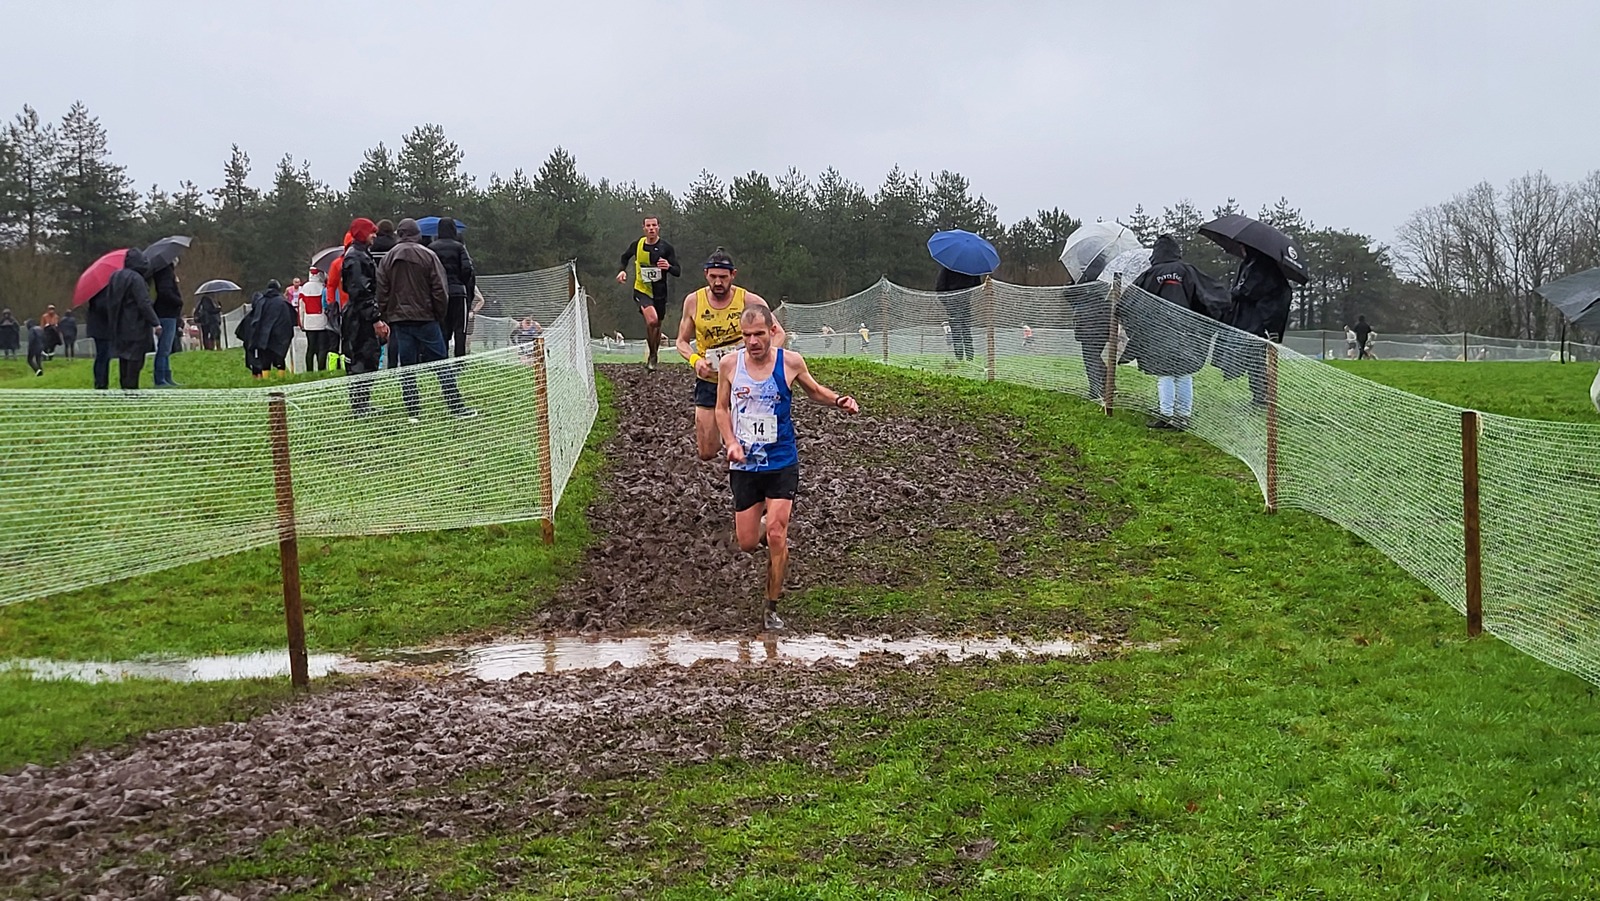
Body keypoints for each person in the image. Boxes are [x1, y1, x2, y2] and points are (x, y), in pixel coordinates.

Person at [716, 304, 860, 631]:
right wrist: (731, 442)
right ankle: (765, 525)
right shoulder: (729, 365)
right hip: (745, 465)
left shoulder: (790, 362)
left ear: (772, 332)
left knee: (777, 534)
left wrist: (839, 400)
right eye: (747, 335)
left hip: (782, 461)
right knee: (747, 542)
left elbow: (814, 391)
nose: (753, 342)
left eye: (759, 334)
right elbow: (721, 409)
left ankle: (771, 608)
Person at [675, 247, 783, 460]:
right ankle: (730, 444)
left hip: (745, 379)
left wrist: (760, 360)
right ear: (706, 274)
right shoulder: (694, 301)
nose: (718, 282)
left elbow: (778, 333)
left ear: (733, 275)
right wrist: (695, 361)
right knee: (706, 451)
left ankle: (740, 461)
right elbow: (681, 342)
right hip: (710, 380)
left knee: (754, 445)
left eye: (723, 277)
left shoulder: (749, 301)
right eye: (713, 277)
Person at [377, 217, 475, 421]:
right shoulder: (428, 255)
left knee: (407, 367)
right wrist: (439, 314)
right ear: (417, 234)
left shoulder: (388, 258)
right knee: (442, 364)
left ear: (399, 234)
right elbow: (440, 288)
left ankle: (413, 411)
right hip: (426, 318)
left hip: (400, 320)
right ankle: (456, 407)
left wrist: (386, 316)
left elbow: (382, 290)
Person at [1127, 234, 1228, 429]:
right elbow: (1209, 296)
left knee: (1165, 374)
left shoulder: (1150, 274)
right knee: (1184, 373)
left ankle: (1166, 415)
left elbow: (1132, 302)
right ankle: (1183, 416)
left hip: (1159, 334)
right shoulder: (1188, 271)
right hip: (1187, 333)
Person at [1225, 246, 1292, 405]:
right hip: (1257, 320)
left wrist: (1235, 292)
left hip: (1257, 321)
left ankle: (1261, 395)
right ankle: (1260, 394)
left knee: (1256, 359)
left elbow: (1249, 290)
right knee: (1254, 360)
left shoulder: (1262, 267)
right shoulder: (1254, 264)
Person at [616, 215, 681, 370]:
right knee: (652, 321)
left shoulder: (666, 248)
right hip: (642, 289)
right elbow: (624, 258)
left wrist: (668, 267)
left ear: (658, 227)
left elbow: (677, 271)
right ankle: (652, 356)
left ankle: (653, 354)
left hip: (660, 293)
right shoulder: (637, 245)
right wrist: (622, 271)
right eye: (648, 226)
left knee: (657, 326)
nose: (651, 228)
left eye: (654, 225)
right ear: (644, 228)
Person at [340, 218, 384, 415]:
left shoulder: (360, 254)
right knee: (362, 357)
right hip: (359, 318)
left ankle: (362, 402)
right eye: (371, 232)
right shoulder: (356, 258)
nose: (374, 236)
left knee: (368, 357)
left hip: (360, 314)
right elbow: (361, 291)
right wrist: (375, 318)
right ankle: (360, 405)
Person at [105, 248, 158, 390]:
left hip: (118, 325)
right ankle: (132, 388)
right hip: (135, 325)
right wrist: (155, 322)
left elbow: (109, 300)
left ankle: (125, 387)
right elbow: (143, 303)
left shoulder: (115, 277)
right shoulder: (136, 279)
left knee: (124, 358)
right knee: (135, 359)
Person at [431, 217, 476, 357]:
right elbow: (468, 269)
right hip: (458, 292)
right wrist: (461, 282)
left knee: (442, 329)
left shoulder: (432, 248)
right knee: (460, 329)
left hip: (439, 294)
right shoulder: (459, 247)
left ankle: (443, 360)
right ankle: (459, 360)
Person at [242, 280, 296, 378]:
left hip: (264, 336)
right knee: (280, 358)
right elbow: (290, 319)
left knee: (265, 359)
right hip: (280, 336)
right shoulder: (283, 302)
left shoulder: (261, 301)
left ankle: (266, 379)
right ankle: (281, 378)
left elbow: (256, 319)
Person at [934, 265, 981, 361]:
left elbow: (940, 287)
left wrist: (946, 302)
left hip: (953, 300)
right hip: (965, 300)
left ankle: (960, 357)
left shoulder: (948, 267)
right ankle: (969, 357)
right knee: (966, 329)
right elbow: (977, 285)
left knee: (957, 331)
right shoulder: (971, 267)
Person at [149, 262, 183, 386]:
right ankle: (160, 378)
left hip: (163, 313)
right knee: (164, 348)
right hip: (167, 313)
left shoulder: (159, 271)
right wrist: (178, 301)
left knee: (165, 348)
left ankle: (166, 377)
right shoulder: (166, 272)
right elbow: (165, 292)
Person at [297, 267, 337, 371]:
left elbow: (301, 307)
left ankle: (309, 369)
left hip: (309, 322)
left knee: (310, 347)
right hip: (322, 321)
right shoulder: (323, 287)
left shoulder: (304, 288)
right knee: (322, 347)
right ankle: (321, 368)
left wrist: (301, 323)